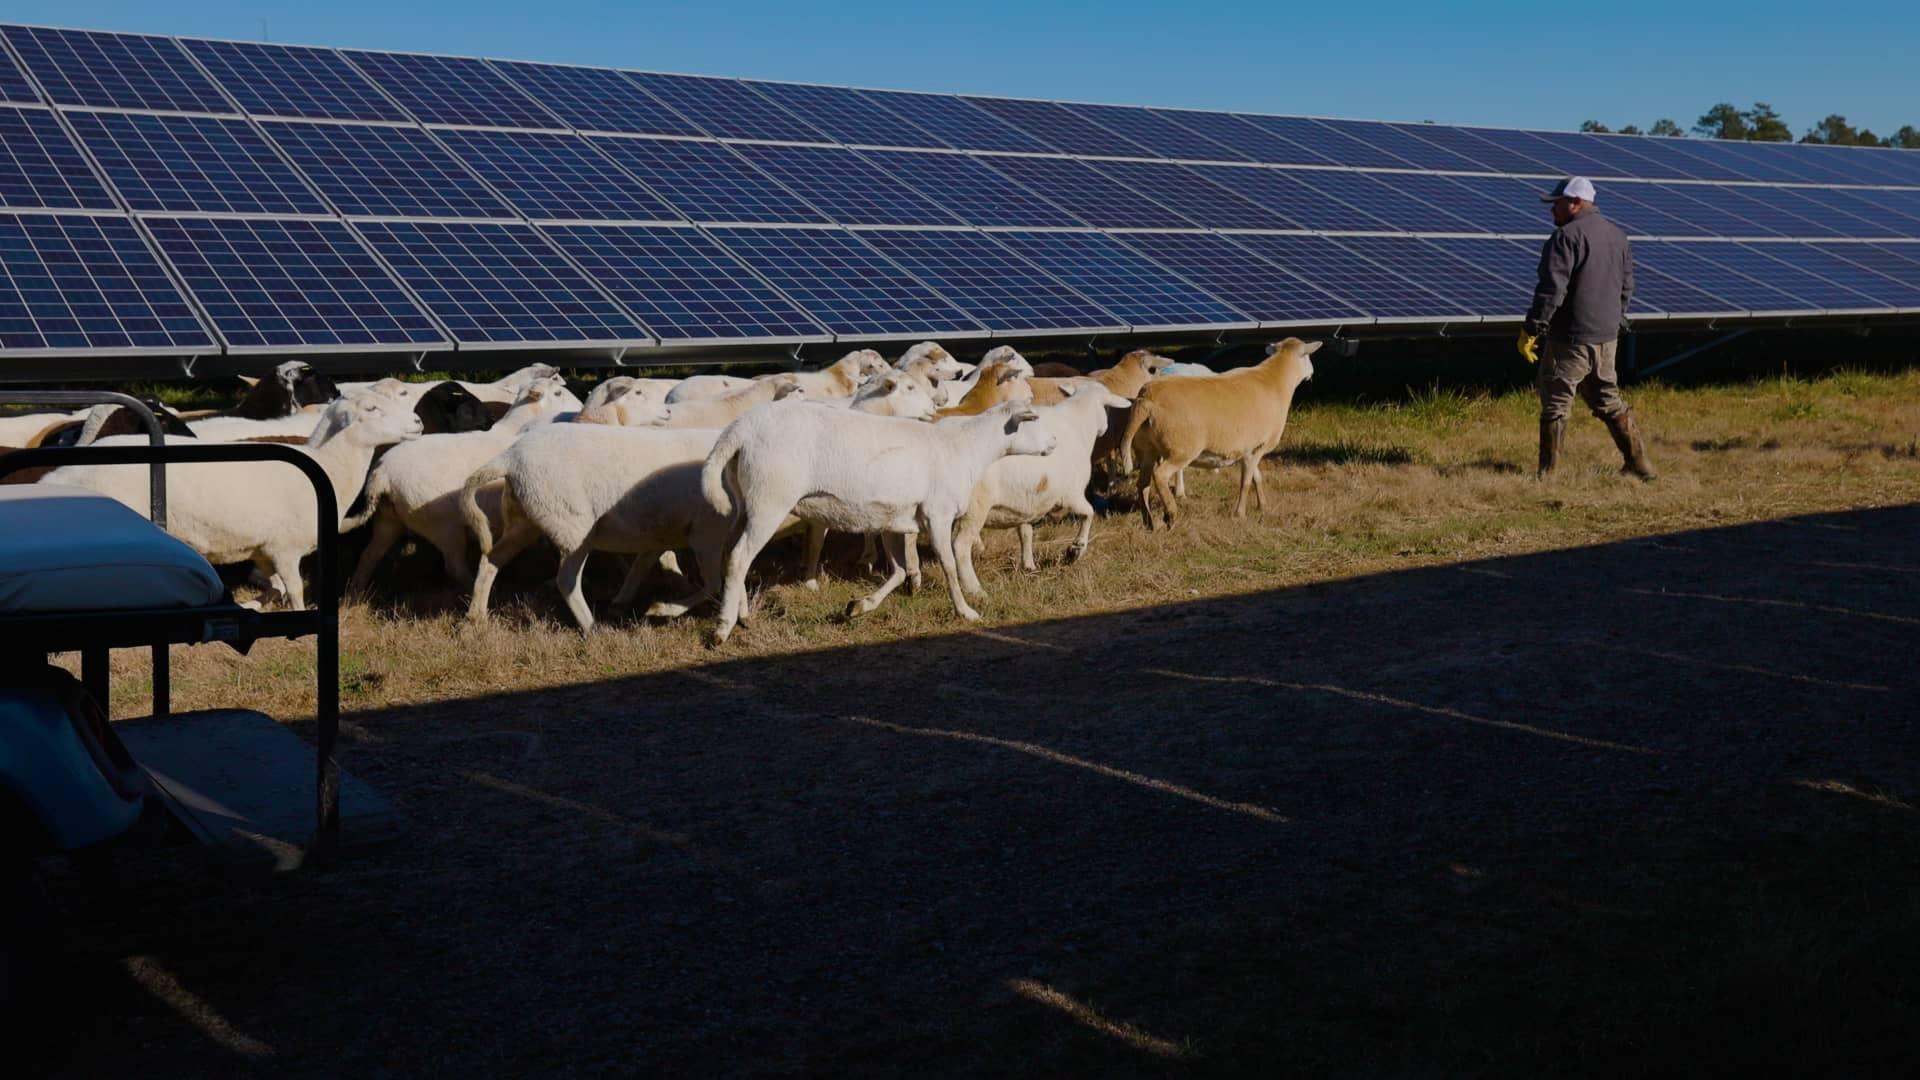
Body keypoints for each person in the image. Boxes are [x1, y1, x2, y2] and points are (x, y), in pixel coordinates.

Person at [1517, 176, 1655, 480]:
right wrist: (1612, 319)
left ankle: (1547, 475)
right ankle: (1640, 464)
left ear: (1576, 203)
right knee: (1608, 398)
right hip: (1607, 337)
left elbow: (1552, 289)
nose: (1552, 210)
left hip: (1570, 337)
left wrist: (1533, 328)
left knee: (1556, 402)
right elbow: (1627, 286)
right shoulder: (1617, 235)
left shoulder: (1566, 237)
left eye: (1557, 204)